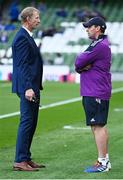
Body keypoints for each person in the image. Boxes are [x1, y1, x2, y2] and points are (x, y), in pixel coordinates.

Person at [75, 17, 112, 173]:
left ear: (98, 28)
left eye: (89, 27)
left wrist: (81, 66)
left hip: (95, 90)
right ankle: (104, 160)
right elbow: (80, 65)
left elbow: (78, 61)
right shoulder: (98, 44)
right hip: (94, 90)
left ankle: (103, 162)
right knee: (96, 125)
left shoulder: (99, 45)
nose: (87, 29)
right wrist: (82, 67)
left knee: (98, 126)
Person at [12, 7, 45, 171]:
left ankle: (25, 156)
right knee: (27, 122)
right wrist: (27, 88)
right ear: (27, 19)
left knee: (31, 122)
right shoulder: (22, 38)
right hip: (28, 87)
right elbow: (22, 64)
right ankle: (20, 160)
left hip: (31, 85)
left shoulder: (26, 36)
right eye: (36, 17)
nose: (39, 20)